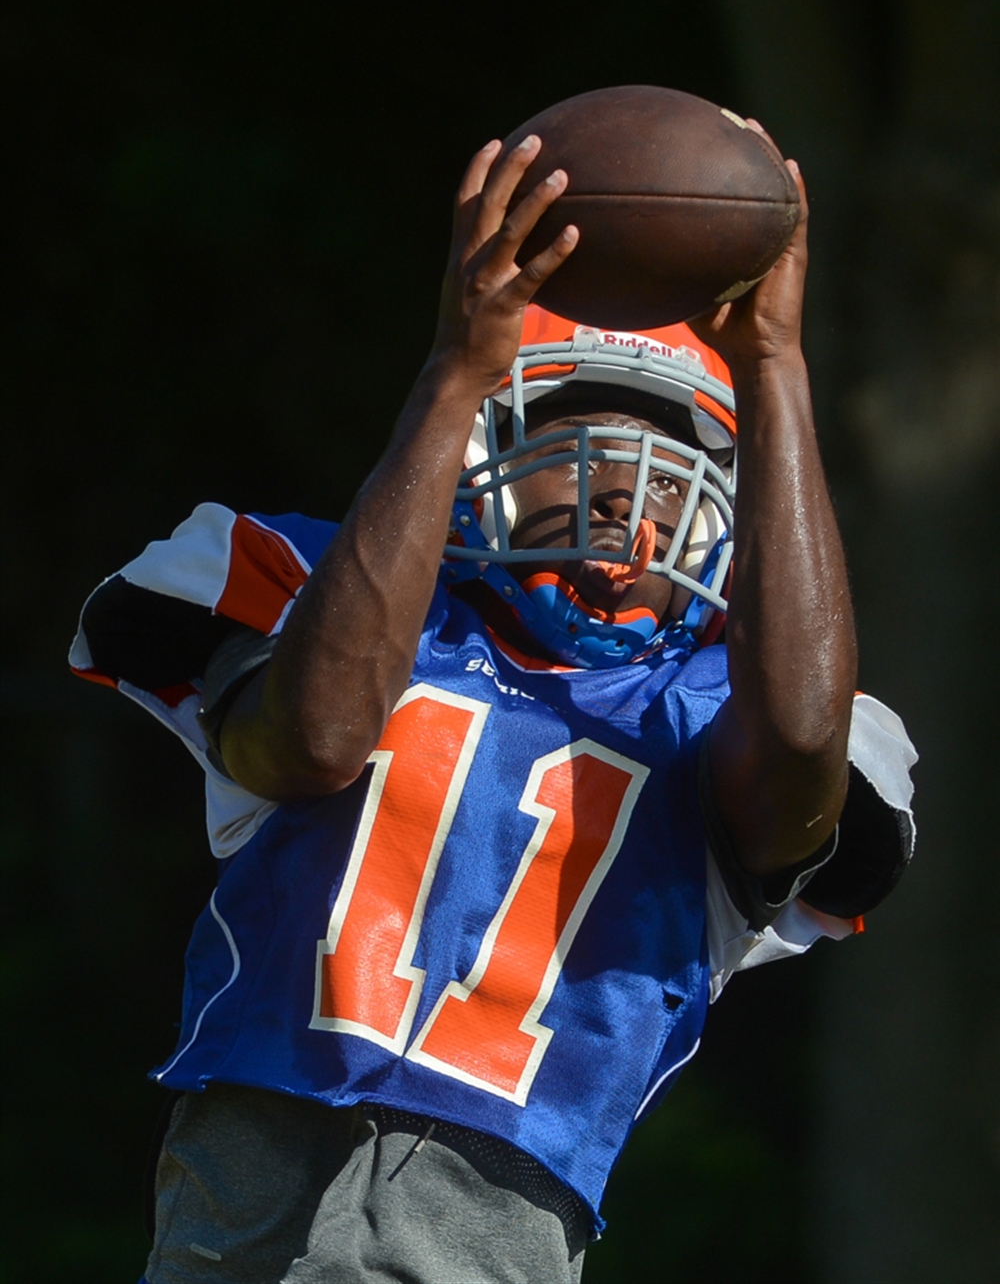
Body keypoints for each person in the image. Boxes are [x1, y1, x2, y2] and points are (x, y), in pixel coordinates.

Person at [72, 127, 916, 1283]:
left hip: (496, 1238)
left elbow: (798, 768)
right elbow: (312, 740)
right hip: (244, 1208)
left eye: (670, 479)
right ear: (487, 450)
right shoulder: (338, 604)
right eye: (594, 455)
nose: (629, 510)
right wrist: (455, 368)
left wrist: (775, 367)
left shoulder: (735, 702)